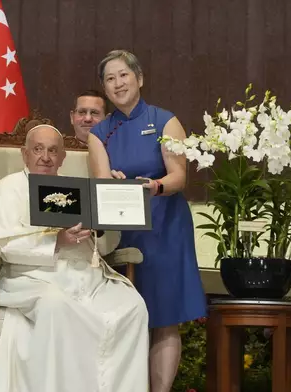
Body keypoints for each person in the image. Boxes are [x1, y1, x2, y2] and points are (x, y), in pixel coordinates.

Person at [0, 124, 149, 392]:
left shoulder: (78, 190)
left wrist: (106, 212)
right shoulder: (7, 189)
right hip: (31, 277)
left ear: (62, 158)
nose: (45, 157)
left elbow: (105, 246)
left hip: (86, 276)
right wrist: (55, 241)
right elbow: (3, 247)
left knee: (133, 306)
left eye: (52, 151)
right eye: (38, 149)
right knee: (56, 304)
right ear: (25, 154)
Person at [87, 49, 206, 392]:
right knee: (129, 317)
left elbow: (179, 177)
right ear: (105, 89)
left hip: (166, 226)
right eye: (110, 79)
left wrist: (153, 186)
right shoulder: (100, 133)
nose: (118, 83)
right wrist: (115, 186)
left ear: (139, 78)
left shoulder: (165, 121)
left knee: (166, 318)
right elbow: (100, 186)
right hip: (123, 232)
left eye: (124, 75)